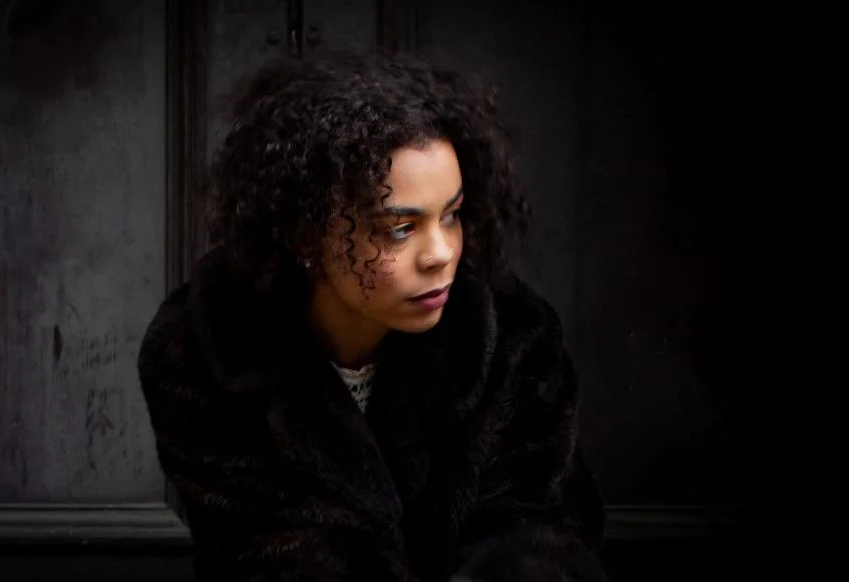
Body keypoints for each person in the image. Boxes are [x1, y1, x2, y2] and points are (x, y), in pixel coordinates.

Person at [137, 52, 609, 582]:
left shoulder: (514, 336)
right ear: (305, 234)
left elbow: (541, 533)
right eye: (399, 229)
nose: (441, 254)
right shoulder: (203, 351)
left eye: (451, 216)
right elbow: (272, 556)